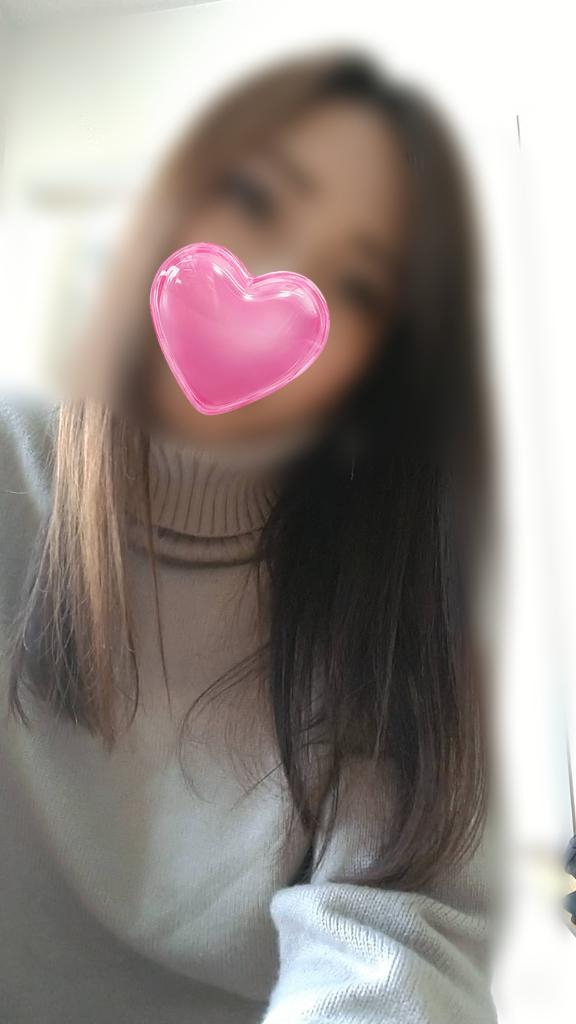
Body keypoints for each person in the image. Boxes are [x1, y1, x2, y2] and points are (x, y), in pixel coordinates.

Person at [0, 50, 504, 1023]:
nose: (286, 277)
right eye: (256, 199)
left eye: (359, 286)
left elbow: (393, 952)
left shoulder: (396, 603)